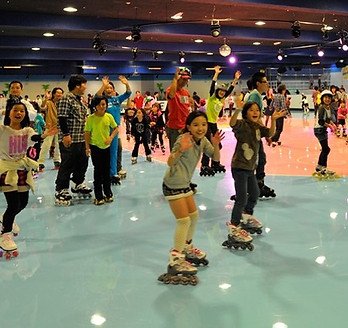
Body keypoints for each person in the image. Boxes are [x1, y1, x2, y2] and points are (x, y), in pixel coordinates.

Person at [158, 111, 224, 285]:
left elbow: (215, 158)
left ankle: (186, 247)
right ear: (188, 127)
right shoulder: (184, 139)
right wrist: (180, 150)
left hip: (184, 183)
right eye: (195, 124)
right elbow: (170, 162)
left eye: (203, 124)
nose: (200, 128)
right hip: (173, 183)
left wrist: (216, 145)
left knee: (194, 216)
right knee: (183, 221)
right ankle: (175, 260)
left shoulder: (202, 140)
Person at [223, 101, 286, 250]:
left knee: (255, 193)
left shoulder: (258, 127)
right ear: (246, 113)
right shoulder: (242, 124)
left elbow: (270, 133)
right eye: (251, 110)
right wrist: (237, 110)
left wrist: (274, 120)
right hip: (239, 167)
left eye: (257, 110)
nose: (255, 112)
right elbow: (232, 123)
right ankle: (233, 225)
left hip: (250, 168)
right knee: (241, 198)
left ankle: (247, 216)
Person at [0, 101, 56, 258]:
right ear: (8, 112)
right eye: (15, 110)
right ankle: (5, 234)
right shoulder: (2, 129)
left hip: (22, 168)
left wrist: (44, 135)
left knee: (23, 202)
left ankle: (5, 220)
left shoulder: (27, 130)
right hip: (7, 169)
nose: (19, 113)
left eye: (22, 111)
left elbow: (36, 137)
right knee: (13, 203)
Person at [54, 74, 92, 206]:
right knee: (67, 164)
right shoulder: (66, 98)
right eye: (84, 84)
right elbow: (62, 118)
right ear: (77, 85)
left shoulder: (79, 100)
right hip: (70, 138)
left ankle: (78, 183)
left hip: (81, 138)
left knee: (83, 161)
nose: (85, 87)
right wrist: (65, 134)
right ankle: (61, 189)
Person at [200, 65, 240, 177]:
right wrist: (216, 73)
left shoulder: (221, 99)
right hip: (207, 123)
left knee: (218, 145)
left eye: (223, 92)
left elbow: (230, 90)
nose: (222, 93)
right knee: (208, 146)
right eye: (221, 91)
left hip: (213, 124)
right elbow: (212, 86)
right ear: (217, 92)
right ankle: (204, 165)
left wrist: (235, 79)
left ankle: (215, 163)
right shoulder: (212, 97)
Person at [96, 75, 131, 184]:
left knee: (114, 152)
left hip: (115, 130)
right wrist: (103, 85)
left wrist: (126, 84)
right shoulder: (102, 100)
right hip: (103, 129)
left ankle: (113, 173)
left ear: (114, 90)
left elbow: (128, 93)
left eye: (110, 88)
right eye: (107, 88)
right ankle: (103, 174)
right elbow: (96, 97)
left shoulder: (117, 99)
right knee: (103, 152)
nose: (109, 90)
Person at [85, 96, 118, 205]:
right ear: (95, 106)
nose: (102, 107)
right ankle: (99, 195)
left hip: (106, 148)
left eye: (104, 104)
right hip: (95, 147)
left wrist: (111, 137)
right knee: (98, 171)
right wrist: (87, 147)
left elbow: (116, 128)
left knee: (106, 171)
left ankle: (108, 193)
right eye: (99, 105)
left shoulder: (109, 116)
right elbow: (87, 133)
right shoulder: (91, 118)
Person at [247, 72, 276, 198]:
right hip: (253, 133)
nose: (267, 84)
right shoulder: (255, 95)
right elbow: (254, 116)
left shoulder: (257, 95)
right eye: (265, 82)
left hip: (255, 132)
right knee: (259, 158)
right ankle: (256, 184)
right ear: (258, 83)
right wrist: (266, 134)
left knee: (260, 158)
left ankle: (257, 183)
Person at [165, 67, 192, 151]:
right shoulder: (170, 90)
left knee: (186, 153)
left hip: (185, 128)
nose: (185, 81)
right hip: (175, 129)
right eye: (183, 79)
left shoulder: (186, 93)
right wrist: (175, 79)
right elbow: (171, 95)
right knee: (175, 153)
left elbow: (188, 108)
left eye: (187, 80)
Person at [37, 87, 63, 171]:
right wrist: (45, 99)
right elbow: (42, 107)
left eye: (61, 93)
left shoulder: (63, 103)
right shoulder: (49, 102)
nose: (59, 94)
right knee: (46, 145)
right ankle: (40, 163)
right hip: (50, 127)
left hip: (59, 127)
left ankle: (57, 162)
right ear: (54, 94)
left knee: (58, 146)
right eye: (57, 93)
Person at [313, 90, 337, 177]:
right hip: (319, 130)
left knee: (325, 149)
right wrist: (330, 126)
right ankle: (323, 167)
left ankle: (320, 167)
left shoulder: (328, 108)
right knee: (326, 149)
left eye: (329, 98)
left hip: (322, 130)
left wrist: (333, 124)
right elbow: (321, 121)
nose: (327, 99)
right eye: (325, 97)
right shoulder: (321, 107)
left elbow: (327, 119)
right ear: (322, 99)